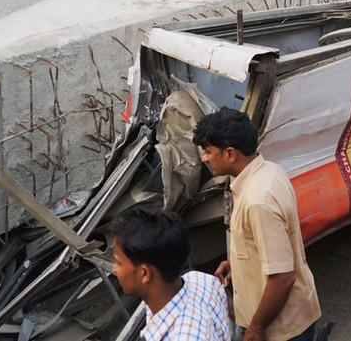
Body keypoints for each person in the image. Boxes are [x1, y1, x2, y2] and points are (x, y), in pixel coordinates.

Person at [194, 108, 321, 341]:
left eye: (208, 151)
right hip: (293, 314)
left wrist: (256, 328)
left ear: (230, 154)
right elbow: (270, 244)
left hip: (283, 328)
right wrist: (239, 264)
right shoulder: (269, 170)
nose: (204, 158)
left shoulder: (258, 201)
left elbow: (283, 277)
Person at [109, 208, 230, 341]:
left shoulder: (183, 336)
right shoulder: (201, 280)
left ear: (144, 274)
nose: (114, 269)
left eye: (119, 262)